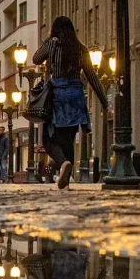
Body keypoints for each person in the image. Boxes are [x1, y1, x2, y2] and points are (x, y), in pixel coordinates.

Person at [33, 16, 108, 190]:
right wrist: (104, 100)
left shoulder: (52, 45)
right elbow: (92, 76)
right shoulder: (81, 49)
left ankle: (63, 163)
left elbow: (36, 59)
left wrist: (48, 39)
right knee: (68, 140)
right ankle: (66, 181)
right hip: (76, 96)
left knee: (48, 140)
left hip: (57, 96)